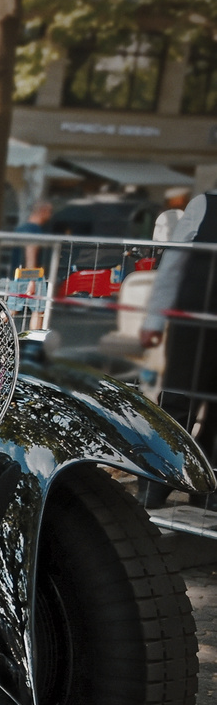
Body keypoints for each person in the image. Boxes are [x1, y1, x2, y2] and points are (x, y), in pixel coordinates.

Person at [142, 190, 217, 502]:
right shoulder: (205, 205)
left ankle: (207, 484)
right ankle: (162, 478)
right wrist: (154, 320)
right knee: (177, 401)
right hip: (193, 319)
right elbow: (173, 262)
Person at [12, 199, 52, 272]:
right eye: (50, 211)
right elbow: (30, 254)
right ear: (43, 211)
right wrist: (31, 278)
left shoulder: (21, 228)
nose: (51, 215)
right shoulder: (34, 230)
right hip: (25, 278)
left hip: (14, 276)